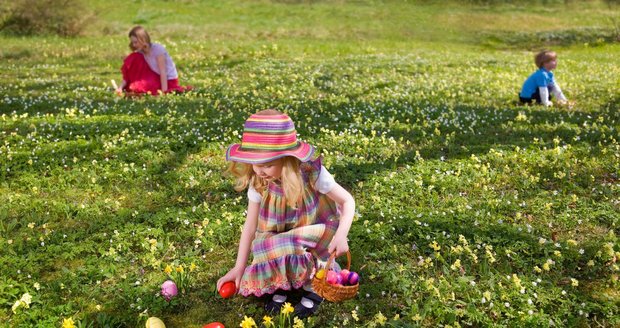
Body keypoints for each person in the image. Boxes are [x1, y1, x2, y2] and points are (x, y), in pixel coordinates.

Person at [216, 109, 355, 318]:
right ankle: (282, 282)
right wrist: (239, 267)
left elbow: (348, 201)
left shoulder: (311, 174)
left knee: (295, 241)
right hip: (279, 237)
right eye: (255, 164)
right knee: (263, 244)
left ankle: (314, 287)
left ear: (287, 159)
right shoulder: (259, 182)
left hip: (313, 235)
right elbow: (250, 226)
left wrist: (341, 235)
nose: (260, 171)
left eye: (268, 164)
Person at [116, 26, 191, 96]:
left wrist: (164, 92)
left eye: (136, 42)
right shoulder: (140, 52)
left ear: (143, 40)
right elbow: (129, 73)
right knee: (134, 58)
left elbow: (163, 71)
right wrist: (120, 87)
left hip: (168, 80)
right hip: (156, 76)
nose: (134, 45)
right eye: (132, 42)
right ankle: (126, 87)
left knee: (144, 88)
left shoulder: (158, 49)